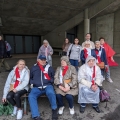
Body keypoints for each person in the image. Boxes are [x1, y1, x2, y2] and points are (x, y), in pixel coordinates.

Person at [28, 55, 58, 120]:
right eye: (42, 60)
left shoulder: (49, 67)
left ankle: (54, 109)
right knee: (31, 96)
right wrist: (32, 82)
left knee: (51, 93)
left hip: (47, 86)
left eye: (44, 60)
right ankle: (36, 116)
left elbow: (54, 76)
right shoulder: (33, 68)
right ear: (38, 60)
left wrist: (50, 81)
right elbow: (30, 78)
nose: (43, 61)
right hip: (36, 87)